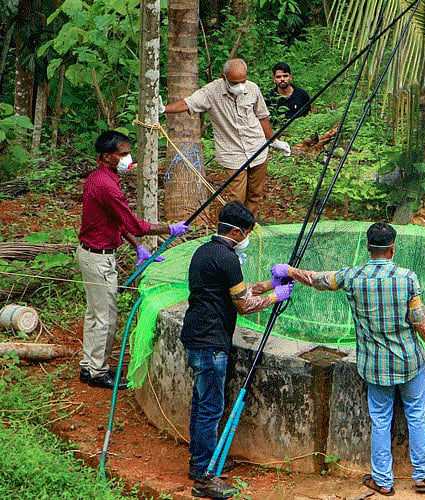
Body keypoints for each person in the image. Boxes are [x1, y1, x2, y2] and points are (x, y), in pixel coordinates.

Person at [271, 222, 425, 496]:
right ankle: (424, 476)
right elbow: (420, 320)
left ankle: (382, 480)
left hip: (374, 366)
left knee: (380, 419)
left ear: (368, 247)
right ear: (393, 248)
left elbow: (319, 279)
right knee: (416, 415)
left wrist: (291, 271)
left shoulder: (352, 277)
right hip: (409, 362)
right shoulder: (407, 278)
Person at [180, 201, 294, 499]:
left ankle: (201, 460)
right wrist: (275, 297)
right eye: (245, 233)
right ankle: (205, 475)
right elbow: (243, 305)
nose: (246, 238)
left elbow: (234, 291)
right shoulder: (227, 258)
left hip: (196, 334)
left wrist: (270, 284)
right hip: (210, 342)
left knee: (200, 399)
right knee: (211, 406)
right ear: (234, 230)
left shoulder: (205, 251)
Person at [77, 130, 190, 389]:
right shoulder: (105, 185)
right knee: (105, 316)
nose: (129, 159)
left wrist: (139, 248)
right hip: (98, 258)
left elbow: (117, 221)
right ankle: (97, 372)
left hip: (91, 253)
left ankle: (89, 365)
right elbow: (133, 223)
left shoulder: (100, 178)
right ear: (107, 157)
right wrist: (169, 229)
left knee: (95, 314)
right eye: (124, 154)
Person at [162, 59, 291, 216]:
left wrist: (274, 141)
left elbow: (262, 117)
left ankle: (248, 227)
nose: (240, 86)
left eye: (243, 81)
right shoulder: (211, 91)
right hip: (232, 154)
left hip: (257, 148)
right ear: (224, 77)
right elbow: (188, 103)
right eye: (235, 82)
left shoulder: (252, 89)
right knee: (236, 198)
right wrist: (163, 109)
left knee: (255, 194)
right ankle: (233, 230)